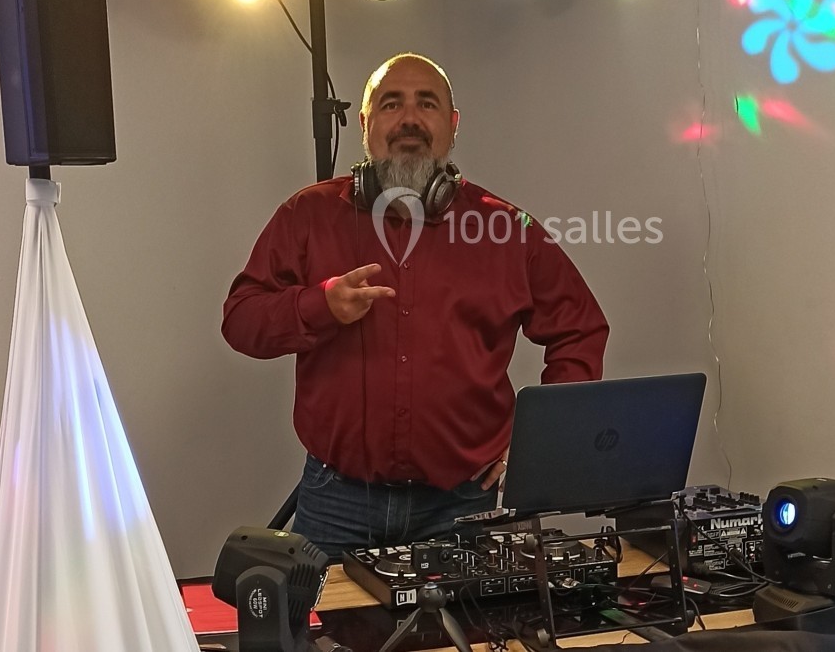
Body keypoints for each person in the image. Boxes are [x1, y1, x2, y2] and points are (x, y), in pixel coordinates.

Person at [221, 52, 608, 560]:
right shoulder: (307, 216)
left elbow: (579, 329)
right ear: (364, 124)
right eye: (390, 104)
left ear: (451, 126)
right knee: (312, 637)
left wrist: (541, 440)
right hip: (335, 501)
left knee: (463, 639)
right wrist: (318, 306)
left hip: (463, 508)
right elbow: (241, 320)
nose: (408, 119)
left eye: (426, 104)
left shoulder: (509, 230)